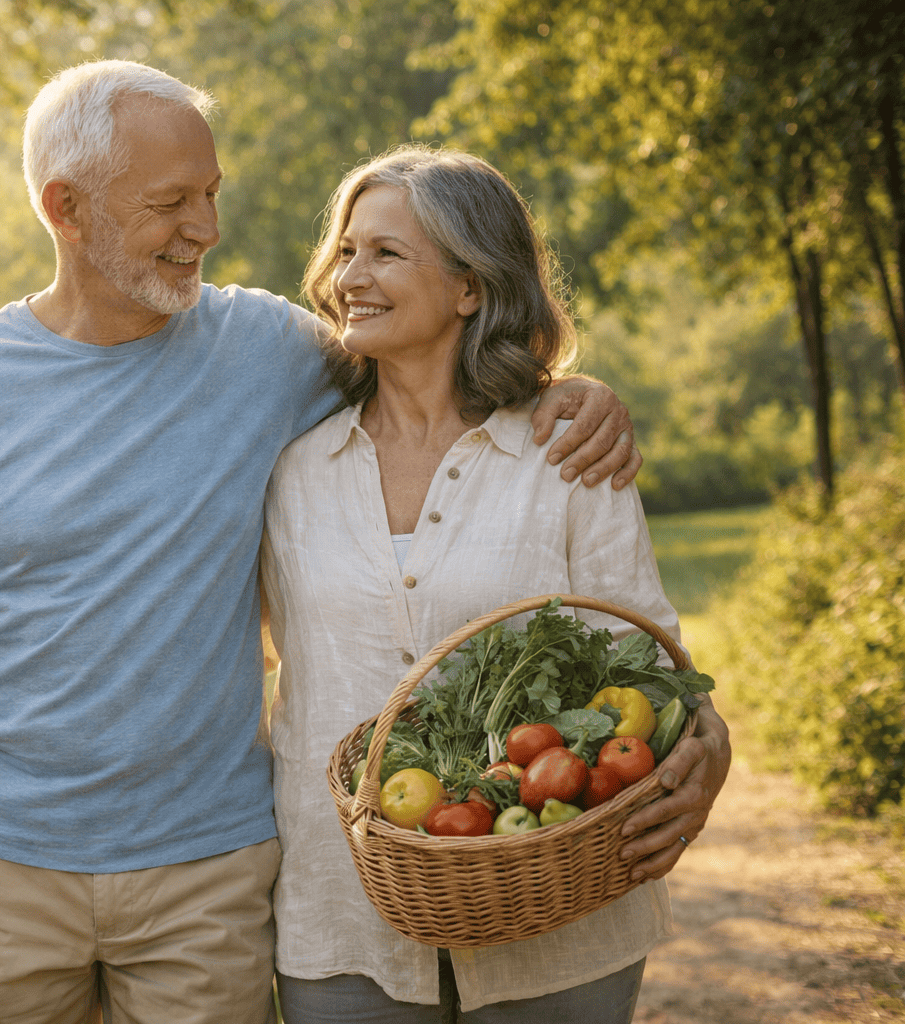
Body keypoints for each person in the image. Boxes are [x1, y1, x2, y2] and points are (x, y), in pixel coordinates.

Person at [0, 61, 648, 1024]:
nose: (206, 230)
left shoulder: (272, 351)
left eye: (212, 194)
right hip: (0, 861)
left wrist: (564, 391)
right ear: (65, 206)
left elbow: (430, 352)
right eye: (170, 202)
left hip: (209, 866)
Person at [260, 145, 733, 1023]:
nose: (347, 277)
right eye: (346, 250)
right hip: (342, 913)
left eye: (387, 254)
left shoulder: (566, 456)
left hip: (560, 910)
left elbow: (651, 662)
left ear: (471, 288)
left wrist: (710, 754)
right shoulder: (291, 470)